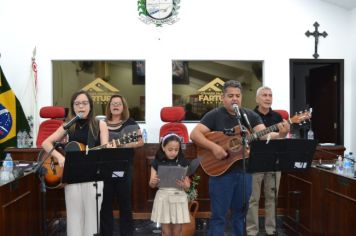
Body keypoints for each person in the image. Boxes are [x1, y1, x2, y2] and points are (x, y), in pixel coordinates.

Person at [190, 80, 289, 236]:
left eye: (237, 95)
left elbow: (264, 134)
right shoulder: (215, 115)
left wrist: (281, 134)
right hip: (220, 173)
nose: (234, 99)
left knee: (240, 215)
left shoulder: (249, 115)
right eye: (230, 96)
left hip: (245, 172)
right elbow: (195, 134)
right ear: (223, 98)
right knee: (218, 217)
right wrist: (214, 147)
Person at [42, 90, 109, 236]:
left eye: (84, 103)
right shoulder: (68, 125)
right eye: (77, 103)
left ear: (90, 106)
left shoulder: (100, 125)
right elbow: (46, 143)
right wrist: (59, 157)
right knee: (74, 218)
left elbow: (105, 150)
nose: (81, 107)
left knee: (92, 219)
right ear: (73, 107)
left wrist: (109, 148)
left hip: (94, 178)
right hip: (72, 176)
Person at [100, 94, 144, 236]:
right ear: (109, 107)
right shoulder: (103, 123)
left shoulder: (130, 122)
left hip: (124, 167)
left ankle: (126, 233)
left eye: (118, 103)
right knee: (105, 202)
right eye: (113, 103)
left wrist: (123, 144)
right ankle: (106, 233)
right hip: (105, 167)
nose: (115, 106)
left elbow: (140, 141)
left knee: (125, 202)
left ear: (123, 106)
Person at [246, 86, 283, 236]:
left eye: (270, 95)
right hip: (254, 161)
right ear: (257, 98)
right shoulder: (249, 115)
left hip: (274, 161)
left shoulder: (278, 118)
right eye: (264, 95)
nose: (268, 98)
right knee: (253, 199)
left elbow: (282, 138)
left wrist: (283, 132)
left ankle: (271, 229)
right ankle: (251, 231)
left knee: (272, 197)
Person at [149, 133, 191, 236]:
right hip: (163, 197)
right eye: (170, 149)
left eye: (176, 150)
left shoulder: (183, 162)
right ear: (163, 148)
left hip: (179, 196)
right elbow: (151, 185)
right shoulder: (157, 162)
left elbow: (187, 187)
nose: (173, 152)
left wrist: (185, 185)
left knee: (177, 231)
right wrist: (153, 182)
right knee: (165, 231)